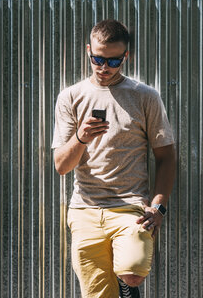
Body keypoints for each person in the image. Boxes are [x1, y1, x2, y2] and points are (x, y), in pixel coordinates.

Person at [52, 19, 176, 298]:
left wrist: (159, 207)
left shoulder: (145, 97)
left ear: (126, 57)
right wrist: (81, 138)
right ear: (88, 51)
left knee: (132, 272)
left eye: (113, 61)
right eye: (97, 58)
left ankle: (126, 287)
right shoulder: (70, 97)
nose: (104, 68)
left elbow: (166, 157)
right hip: (85, 209)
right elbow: (61, 166)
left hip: (131, 206)